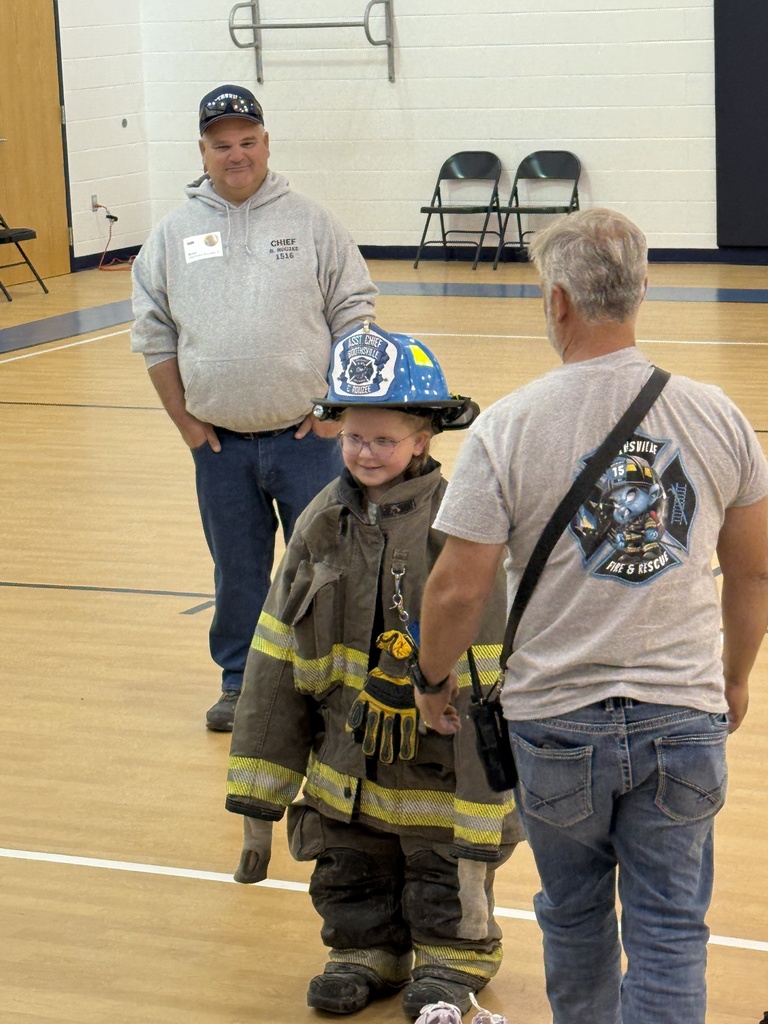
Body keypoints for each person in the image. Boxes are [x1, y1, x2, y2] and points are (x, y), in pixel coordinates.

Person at [411, 209, 768, 1023]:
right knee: (671, 929)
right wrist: (735, 678)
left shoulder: (508, 425)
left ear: (559, 301)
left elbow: (457, 589)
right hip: (682, 717)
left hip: (555, 723)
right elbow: (754, 572)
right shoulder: (716, 415)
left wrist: (431, 681)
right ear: (639, 292)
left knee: (573, 917)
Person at [225, 322, 524, 1018]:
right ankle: (364, 952)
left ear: (423, 438)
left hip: (440, 762)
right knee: (348, 861)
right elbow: (275, 658)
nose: (365, 451)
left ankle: (453, 958)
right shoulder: (320, 523)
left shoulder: (460, 524)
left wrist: (488, 796)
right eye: (353, 436)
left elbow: (486, 668)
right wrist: (259, 799)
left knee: (439, 863)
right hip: (343, 760)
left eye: (383, 439)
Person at [131, 84, 377, 731]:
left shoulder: (313, 222)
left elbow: (355, 312)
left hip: (308, 442)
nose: (235, 154)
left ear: (266, 143)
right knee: (237, 572)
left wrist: (337, 407)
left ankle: (331, 683)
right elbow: (153, 333)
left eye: (247, 141)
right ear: (203, 151)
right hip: (220, 449)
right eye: (222, 145)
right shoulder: (172, 234)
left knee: (327, 569)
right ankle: (240, 682)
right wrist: (186, 424)